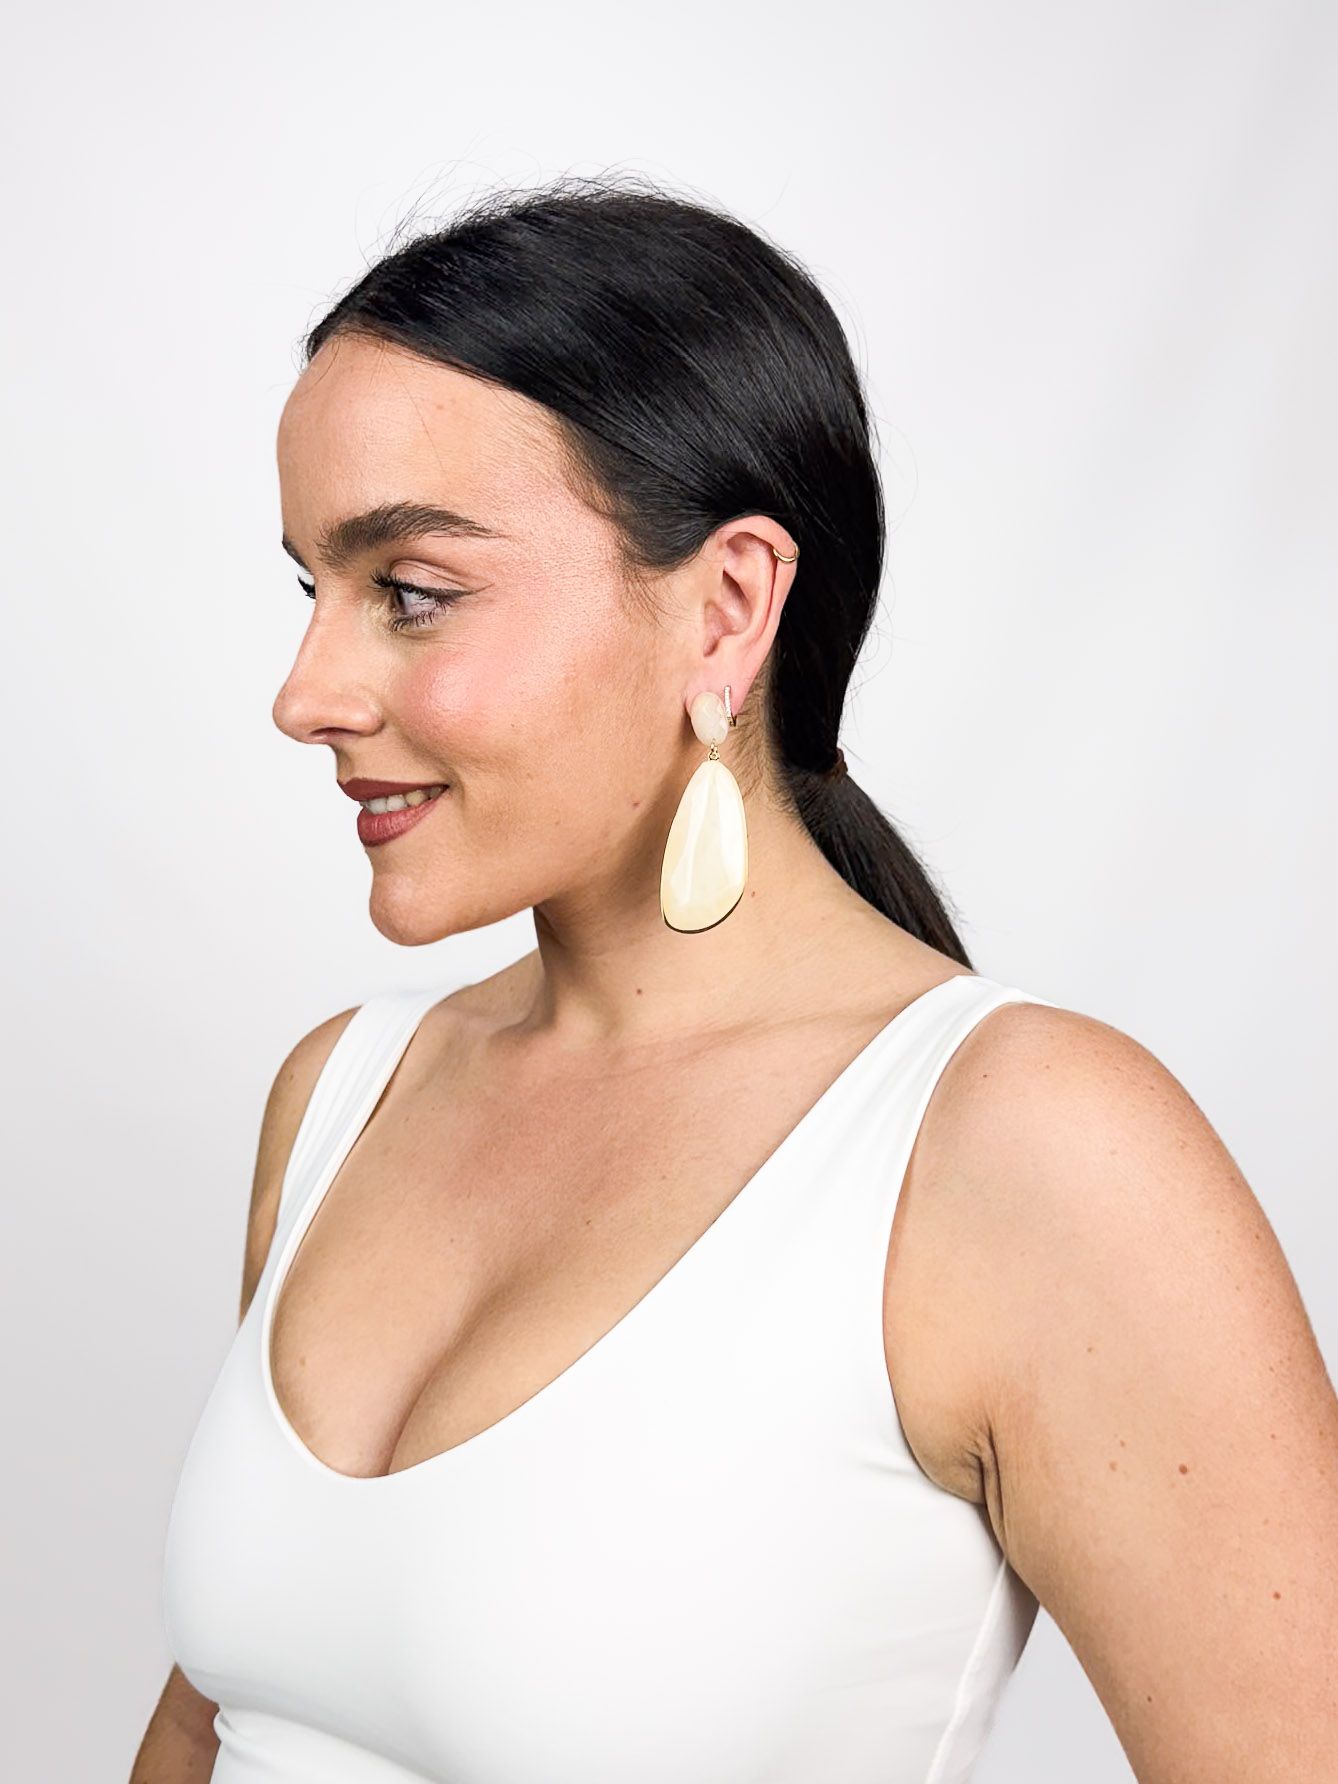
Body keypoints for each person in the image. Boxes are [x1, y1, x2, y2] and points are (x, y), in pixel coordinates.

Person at [132, 176, 1338, 1783]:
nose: (304, 693)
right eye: (313, 592)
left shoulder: (1025, 1151)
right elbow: (222, 1718)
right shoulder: (345, 1095)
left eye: (408, 592)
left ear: (724, 609)